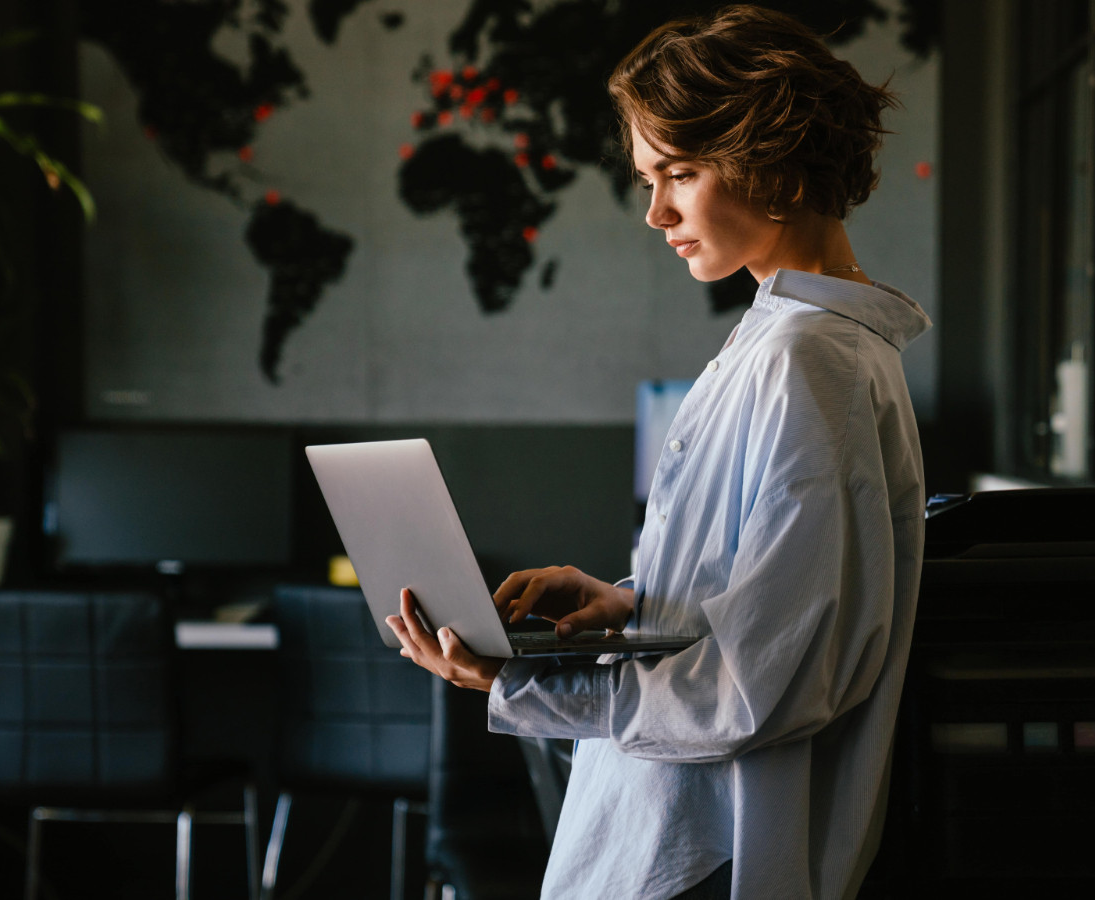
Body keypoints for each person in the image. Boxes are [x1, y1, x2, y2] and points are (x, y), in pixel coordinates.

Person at [385, 5, 930, 898]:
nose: (656, 211)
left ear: (774, 163)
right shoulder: (787, 342)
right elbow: (774, 592)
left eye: (679, 172)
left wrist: (511, 684)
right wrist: (636, 603)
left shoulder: (810, 359)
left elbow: (761, 684)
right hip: (685, 835)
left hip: (712, 848)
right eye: (649, 178)